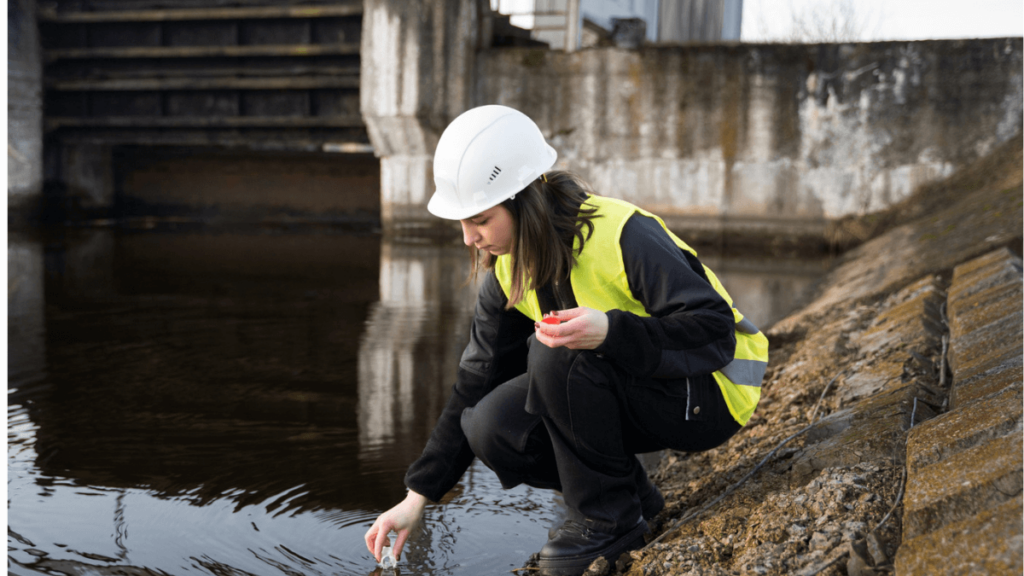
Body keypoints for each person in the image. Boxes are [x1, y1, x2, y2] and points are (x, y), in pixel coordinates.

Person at [364, 105, 768, 576]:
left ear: (524, 200)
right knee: (489, 425)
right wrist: (418, 497)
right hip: (647, 386)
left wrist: (613, 333)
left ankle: (606, 521)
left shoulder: (622, 234)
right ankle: (630, 498)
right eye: (462, 222)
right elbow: (473, 383)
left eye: (480, 219)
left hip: (712, 392)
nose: (469, 238)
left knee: (554, 353)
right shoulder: (508, 270)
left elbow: (713, 329)